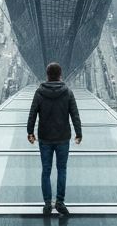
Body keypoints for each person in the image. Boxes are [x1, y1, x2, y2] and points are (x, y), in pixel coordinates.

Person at [27, 61, 82, 215]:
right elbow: (75, 114)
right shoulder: (68, 92)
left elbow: (32, 114)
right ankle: (60, 202)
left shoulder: (39, 92)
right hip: (63, 137)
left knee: (46, 170)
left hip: (44, 138)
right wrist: (78, 133)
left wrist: (30, 132)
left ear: (47, 76)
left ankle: (47, 204)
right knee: (62, 170)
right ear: (60, 75)